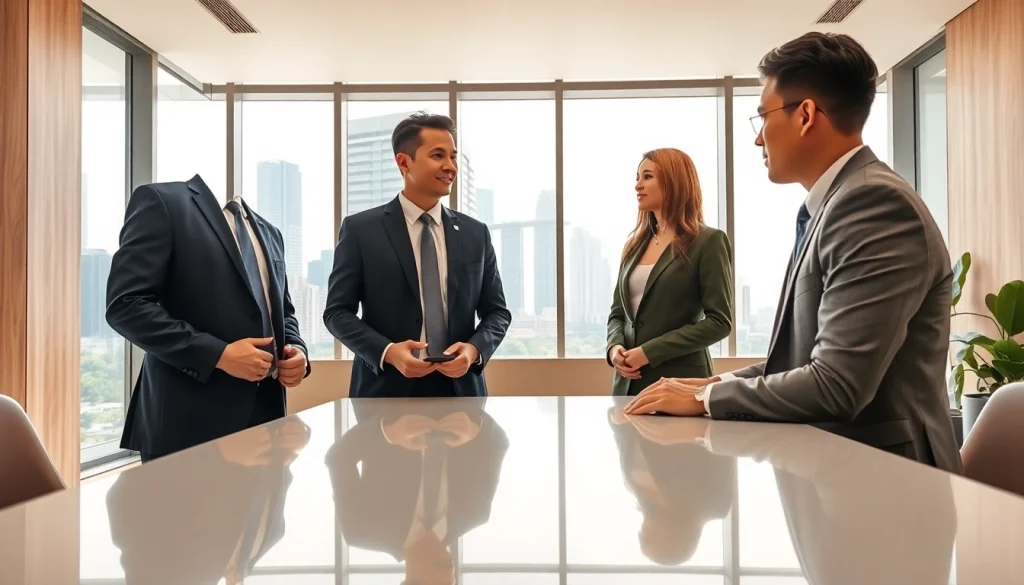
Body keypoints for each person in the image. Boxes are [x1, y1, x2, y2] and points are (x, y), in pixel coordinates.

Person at [626, 32, 962, 474]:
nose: (758, 140)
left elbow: (836, 383)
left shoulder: (873, 205)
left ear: (805, 115)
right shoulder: (837, 204)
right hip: (848, 478)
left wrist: (705, 398)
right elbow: (806, 359)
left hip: (888, 486)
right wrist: (713, 382)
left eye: (762, 118)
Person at [106, 175, 311, 462]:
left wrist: (297, 351)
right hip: (186, 429)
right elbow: (125, 305)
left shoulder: (270, 232)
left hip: (267, 424)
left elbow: (284, 312)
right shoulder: (162, 202)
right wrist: (219, 355)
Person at [323, 112, 511, 398]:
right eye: (438, 155)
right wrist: (388, 352)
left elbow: (497, 312)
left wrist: (474, 350)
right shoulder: (361, 230)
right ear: (403, 162)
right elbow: (337, 312)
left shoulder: (476, 234)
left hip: (461, 393)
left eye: (453, 156)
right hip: (384, 391)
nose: (450, 166)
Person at [326, 400, 508, 585]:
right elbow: (499, 444)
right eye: (453, 580)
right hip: (458, 389)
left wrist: (385, 433)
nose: (451, 572)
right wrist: (476, 428)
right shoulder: (475, 512)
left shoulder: (361, 530)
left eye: (440, 573)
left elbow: (337, 459)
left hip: (386, 391)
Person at [606, 148, 733, 396]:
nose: (637, 186)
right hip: (627, 387)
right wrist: (614, 348)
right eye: (637, 177)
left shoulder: (708, 241)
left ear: (674, 181)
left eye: (647, 176)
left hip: (680, 385)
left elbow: (720, 322)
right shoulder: (633, 245)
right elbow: (617, 314)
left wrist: (648, 353)